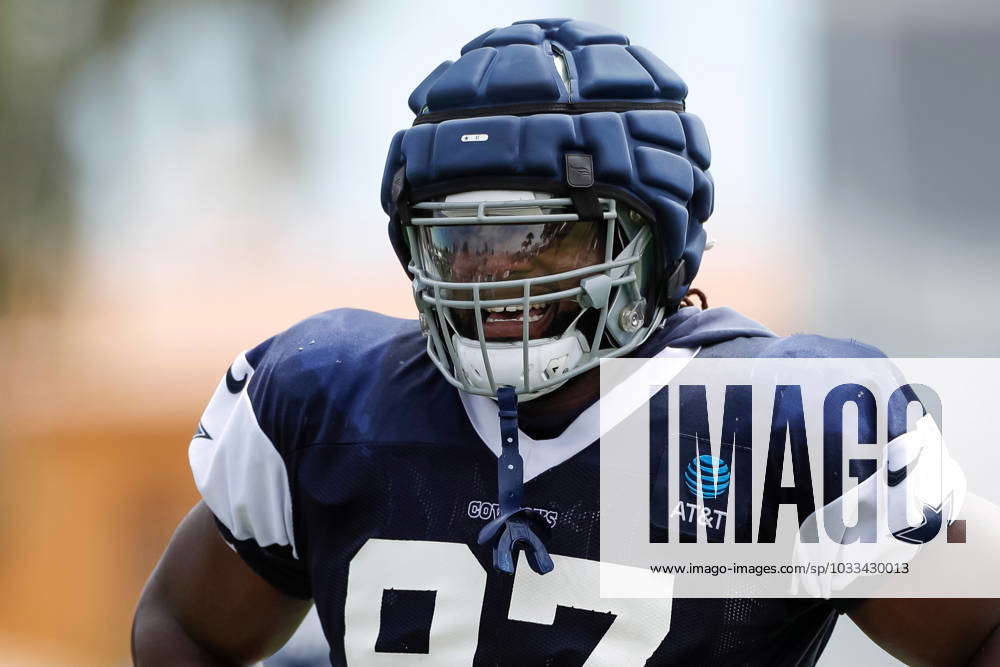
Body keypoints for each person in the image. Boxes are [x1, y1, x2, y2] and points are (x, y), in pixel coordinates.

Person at [132, 18, 1000, 666]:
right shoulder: (330, 407)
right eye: (461, 240)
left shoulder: (772, 423)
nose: (494, 274)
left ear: (650, 242)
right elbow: (180, 624)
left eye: (542, 238)